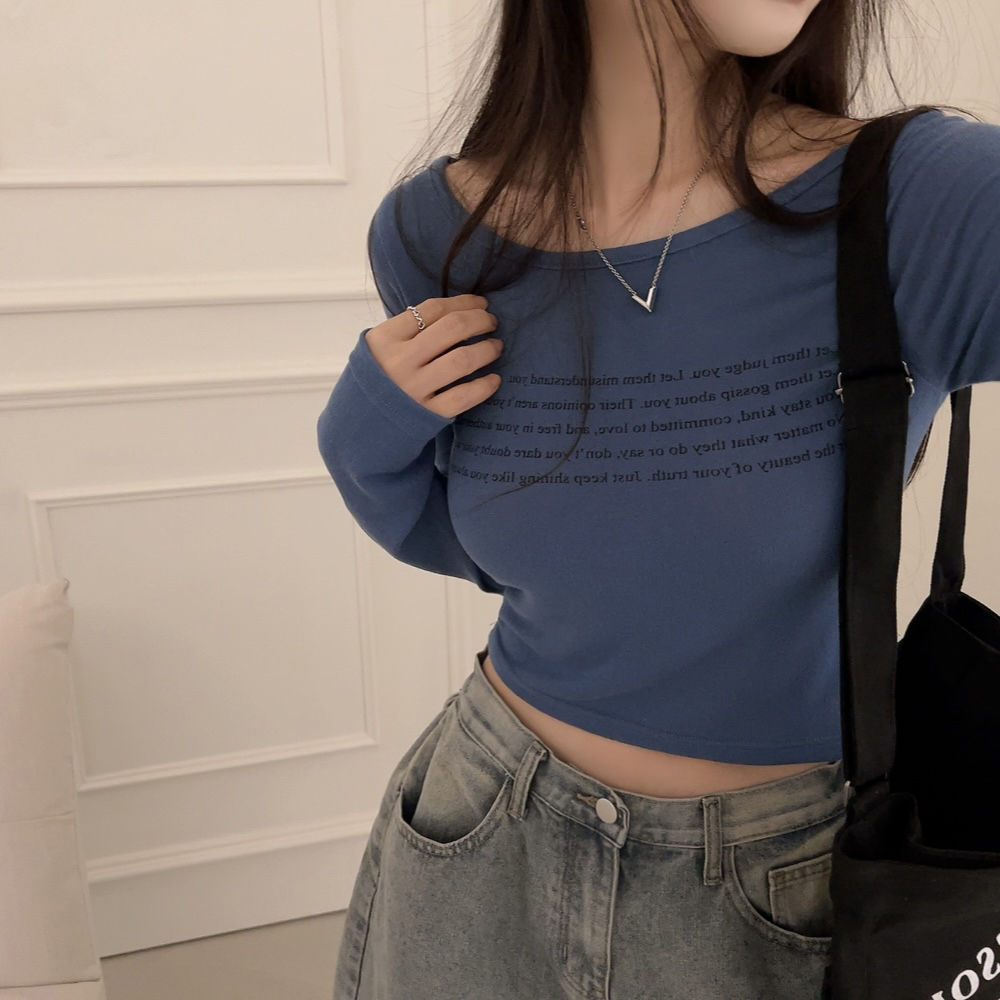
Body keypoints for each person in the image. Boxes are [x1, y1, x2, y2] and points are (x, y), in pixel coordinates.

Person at [317, 0, 1000, 996]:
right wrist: (361, 437)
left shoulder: (928, 199)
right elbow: (512, 551)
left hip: (779, 889)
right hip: (480, 833)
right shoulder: (435, 233)